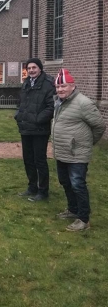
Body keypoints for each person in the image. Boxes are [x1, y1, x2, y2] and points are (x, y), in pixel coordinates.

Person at [52, 68, 106, 231]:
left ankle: (83, 219)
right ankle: (73, 210)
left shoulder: (83, 103)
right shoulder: (59, 102)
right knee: (65, 182)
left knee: (77, 185)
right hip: (62, 151)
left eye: (64, 86)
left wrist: (86, 143)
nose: (60, 89)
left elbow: (99, 126)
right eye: (58, 86)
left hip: (77, 153)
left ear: (73, 86)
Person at [15, 58, 56, 202]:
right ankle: (32, 187)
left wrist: (38, 119)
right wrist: (19, 115)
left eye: (34, 67)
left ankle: (43, 191)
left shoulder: (48, 84)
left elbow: (51, 107)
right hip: (25, 128)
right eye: (29, 68)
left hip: (40, 129)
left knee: (40, 160)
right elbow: (22, 103)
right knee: (28, 159)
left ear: (40, 68)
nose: (31, 70)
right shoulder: (26, 83)